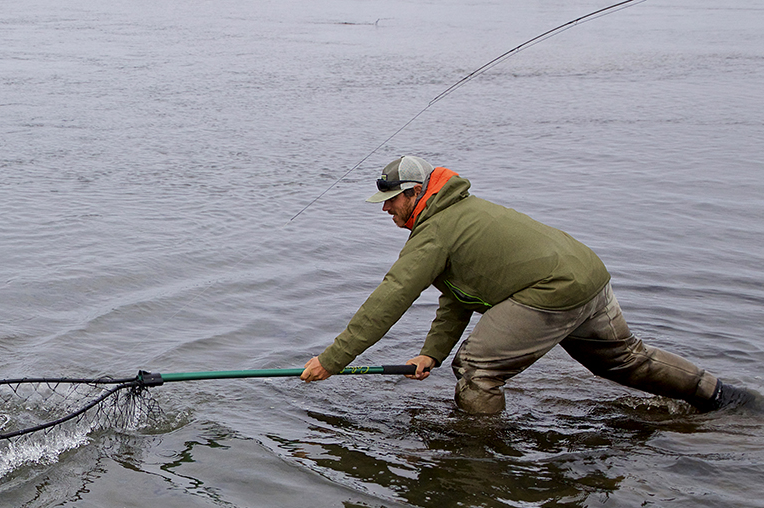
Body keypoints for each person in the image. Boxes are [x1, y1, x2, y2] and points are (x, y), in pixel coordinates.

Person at [300, 155, 752, 413]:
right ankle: (723, 397)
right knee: (623, 360)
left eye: (390, 200)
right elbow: (456, 296)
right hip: (589, 275)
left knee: (477, 370)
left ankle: (477, 462)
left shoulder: (435, 231)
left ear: (416, 193)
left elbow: (390, 298)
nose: (385, 210)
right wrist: (431, 352)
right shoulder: (456, 216)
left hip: (553, 290)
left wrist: (333, 360)